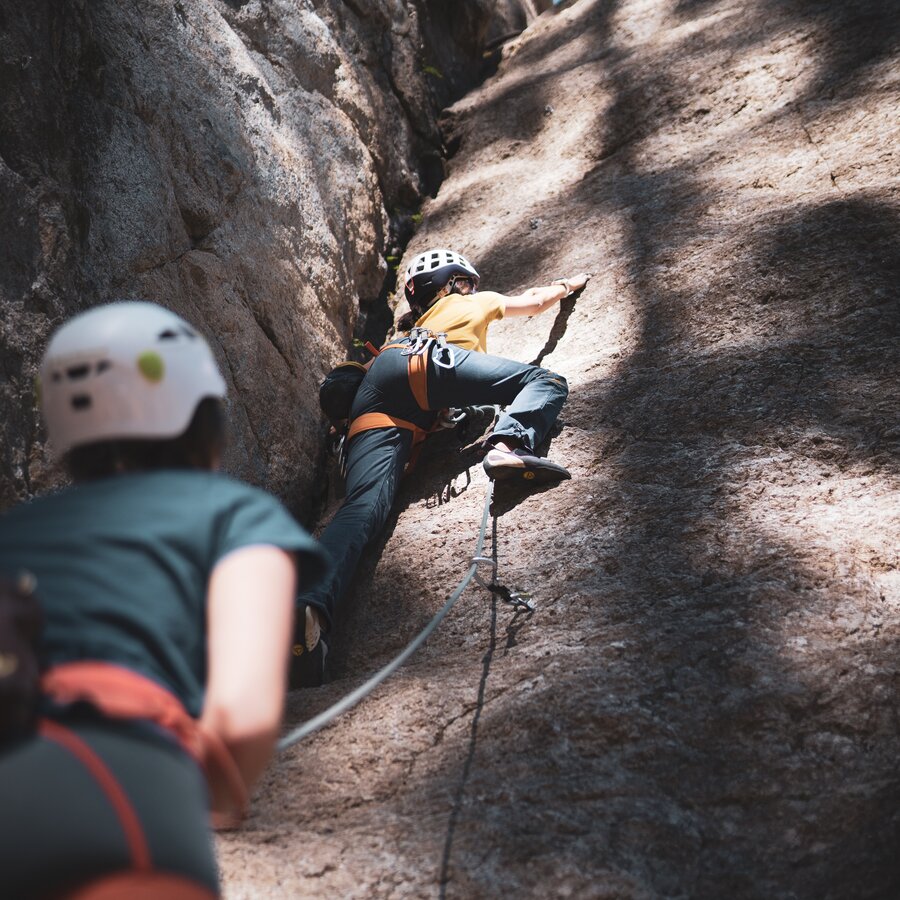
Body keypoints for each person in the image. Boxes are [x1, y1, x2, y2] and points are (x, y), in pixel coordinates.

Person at [0, 301, 328, 900]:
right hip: (111, 787)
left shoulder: (12, 531)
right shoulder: (234, 514)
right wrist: (213, 793)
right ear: (207, 422)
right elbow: (241, 719)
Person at [292, 248, 589, 685]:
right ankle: (507, 446)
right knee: (543, 381)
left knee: (363, 509)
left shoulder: (400, 331)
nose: (469, 289)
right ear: (454, 283)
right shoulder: (473, 301)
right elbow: (534, 301)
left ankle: (307, 607)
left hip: (377, 396)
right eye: (464, 282)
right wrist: (568, 285)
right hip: (426, 363)